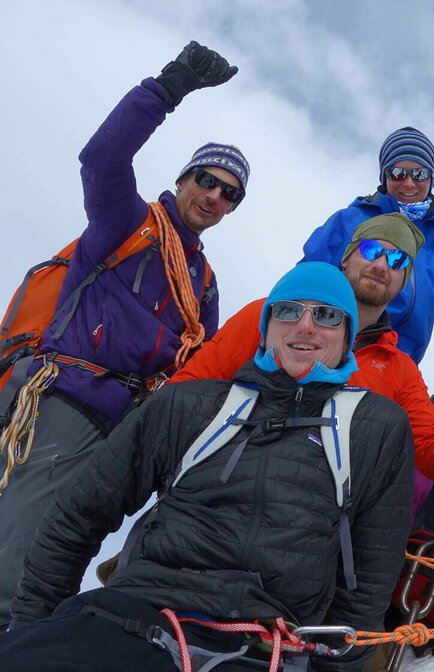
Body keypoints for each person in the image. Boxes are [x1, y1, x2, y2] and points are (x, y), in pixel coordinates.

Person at [2, 262, 414, 672]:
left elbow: (369, 582)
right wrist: (35, 628)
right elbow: (79, 514)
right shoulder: (190, 406)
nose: (305, 325)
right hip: (133, 615)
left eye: (326, 315)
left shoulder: (374, 428)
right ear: (267, 326)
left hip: (260, 645)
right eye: (288, 310)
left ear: (347, 338)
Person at [0, 41, 250, 627]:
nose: (214, 196)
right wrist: (166, 90)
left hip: (123, 429)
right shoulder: (129, 223)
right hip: (65, 399)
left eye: (229, 193)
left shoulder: (204, 283)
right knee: (22, 543)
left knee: (61, 549)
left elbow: (201, 369)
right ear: (184, 178)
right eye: (207, 180)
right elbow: (103, 158)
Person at [173, 213, 434, 514]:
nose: (382, 265)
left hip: (314, 539)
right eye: (372, 250)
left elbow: (431, 455)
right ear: (346, 259)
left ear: (403, 282)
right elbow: (184, 393)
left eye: (399, 261)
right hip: (211, 506)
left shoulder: (398, 369)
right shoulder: (273, 317)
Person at [301, 126, 434, 369]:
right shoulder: (350, 221)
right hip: (335, 355)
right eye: (397, 173)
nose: (408, 183)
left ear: (432, 179)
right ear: (385, 176)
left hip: (398, 365)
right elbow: (306, 280)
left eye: (419, 174)